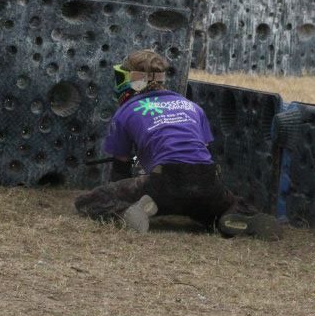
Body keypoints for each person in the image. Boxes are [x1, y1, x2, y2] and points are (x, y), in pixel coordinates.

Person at [75, 49, 281, 238]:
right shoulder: (192, 106)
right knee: (217, 204)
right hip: (206, 179)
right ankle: (232, 217)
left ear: (132, 79)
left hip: (164, 181)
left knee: (90, 200)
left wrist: (120, 193)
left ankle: (128, 211)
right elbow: (203, 152)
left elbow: (120, 165)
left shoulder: (127, 110)